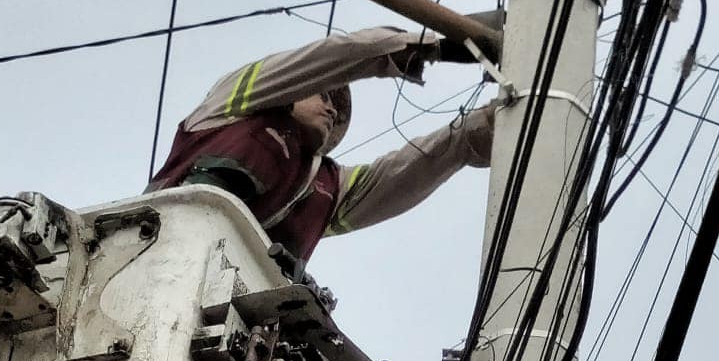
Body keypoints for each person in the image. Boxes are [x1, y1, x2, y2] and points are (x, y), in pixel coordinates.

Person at [147, 27, 494, 264]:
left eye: (336, 108)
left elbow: (411, 167)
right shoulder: (229, 108)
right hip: (158, 249)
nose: (331, 109)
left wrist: (484, 127)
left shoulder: (326, 185)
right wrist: (426, 46)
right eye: (324, 95)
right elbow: (333, 57)